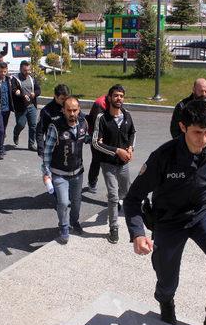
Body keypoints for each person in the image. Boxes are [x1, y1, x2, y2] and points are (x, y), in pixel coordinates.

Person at [123, 99, 206, 325]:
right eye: (198, 132)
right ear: (183, 127)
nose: (204, 139)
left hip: (203, 213)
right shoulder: (163, 157)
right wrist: (137, 234)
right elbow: (132, 199)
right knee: (167, 277)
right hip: (169, 220)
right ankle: (166, 300)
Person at [42, 97, 89, 244]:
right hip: (59, 173)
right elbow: (47, 151)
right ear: (63, 110)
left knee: (76, 202)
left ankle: (74, 221)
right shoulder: (55, 127)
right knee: (63, 202)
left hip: (77, 172)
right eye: (69, 110)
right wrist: (46, 173)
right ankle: (63, 226)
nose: (72, 113)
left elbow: (85, 138)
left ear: (79, 110)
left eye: (75, 110)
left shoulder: (83, 123)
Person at [92, 85, 136, 244]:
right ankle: (113, 228)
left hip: (124, 163)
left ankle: (116, 202)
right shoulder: (101, 118)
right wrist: (117, 151)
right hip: (108, 163)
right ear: (109, 98)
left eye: (121, 96)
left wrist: (130, 148)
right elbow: (96, 143)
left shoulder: (127, 115)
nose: (119, 99)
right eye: (116, 95)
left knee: (125, 192)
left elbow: (132, 133)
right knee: (113, 195)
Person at [11, 60, 41, 151]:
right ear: (20, 69)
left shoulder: (32, 78)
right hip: (21, 107)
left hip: (31, 106)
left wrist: (34, 94)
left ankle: (31, 144)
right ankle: (16, 133)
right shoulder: (15, 79)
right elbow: (13, 90)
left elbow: (38, 90)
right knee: (21, 124)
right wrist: (20, 94)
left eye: (28, 70)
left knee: (33, 125)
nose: (27, 72)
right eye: (25, 70)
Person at [36, 84, 71, 157]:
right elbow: (40, 131)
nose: (65, 101)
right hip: (53, 149)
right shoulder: (46, 111)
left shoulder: (71, 108)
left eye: (66, 98)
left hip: (69, 147)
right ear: (55, 96)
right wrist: (41, 150)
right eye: (62, 99)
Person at [85, 94, 108, 193]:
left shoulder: (116, 102)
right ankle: (92, 182)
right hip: (96, 135)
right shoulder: (100, 104)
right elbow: (96, 124)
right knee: (97, 160)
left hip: (108, 135)